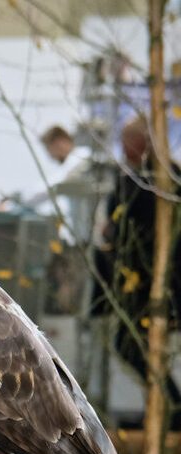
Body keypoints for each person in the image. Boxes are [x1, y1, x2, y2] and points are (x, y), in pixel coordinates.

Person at [103, 116, 181, 426]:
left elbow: (122, 225)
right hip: (147, 280)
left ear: (143, 142)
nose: (123, 149)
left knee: (129, 341)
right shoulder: (157, 175)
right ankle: (166, 409)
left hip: (153, 282)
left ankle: (171, 407)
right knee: (137, 344)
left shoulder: (151, 178)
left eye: (127, 142)